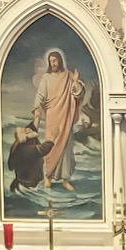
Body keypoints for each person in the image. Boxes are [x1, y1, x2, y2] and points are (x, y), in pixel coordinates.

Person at [32, 50, 85, 192]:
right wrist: (37, 111)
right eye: (50, 61)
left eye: (55, 60)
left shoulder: (67, 76)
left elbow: (78, 93)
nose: (53, 63)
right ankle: (48, 178)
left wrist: (75, 81)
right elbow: (40, 96)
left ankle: (65, 180)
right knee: (51, 147)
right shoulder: (46, 78)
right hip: (52, 117)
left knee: (66, 149)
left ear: (60, 61)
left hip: (65, 117)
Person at [7, 124, 54, 192]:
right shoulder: (28, 149)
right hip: (29, 184)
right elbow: (44, 148)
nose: (29, 129)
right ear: (24, 136)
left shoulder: (16, 147)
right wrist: (54, 137)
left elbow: (10, 167)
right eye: (26, 130)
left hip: (20, 180)